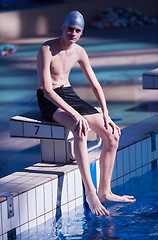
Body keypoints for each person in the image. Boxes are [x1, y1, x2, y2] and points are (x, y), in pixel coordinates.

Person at [36, 10, 136, 216]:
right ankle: (90, 193)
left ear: (81, 34)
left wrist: (106, 114)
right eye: (70, 29)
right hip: (49, 98)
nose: (73, 33)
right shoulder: (47, 49)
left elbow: (96, 85)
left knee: (112, 135)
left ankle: (104, 192)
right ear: (62, 28)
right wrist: (75, 114)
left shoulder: (80, 51)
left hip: (68, 94)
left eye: (77, 31)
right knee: (79, 129)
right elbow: (47, 89)